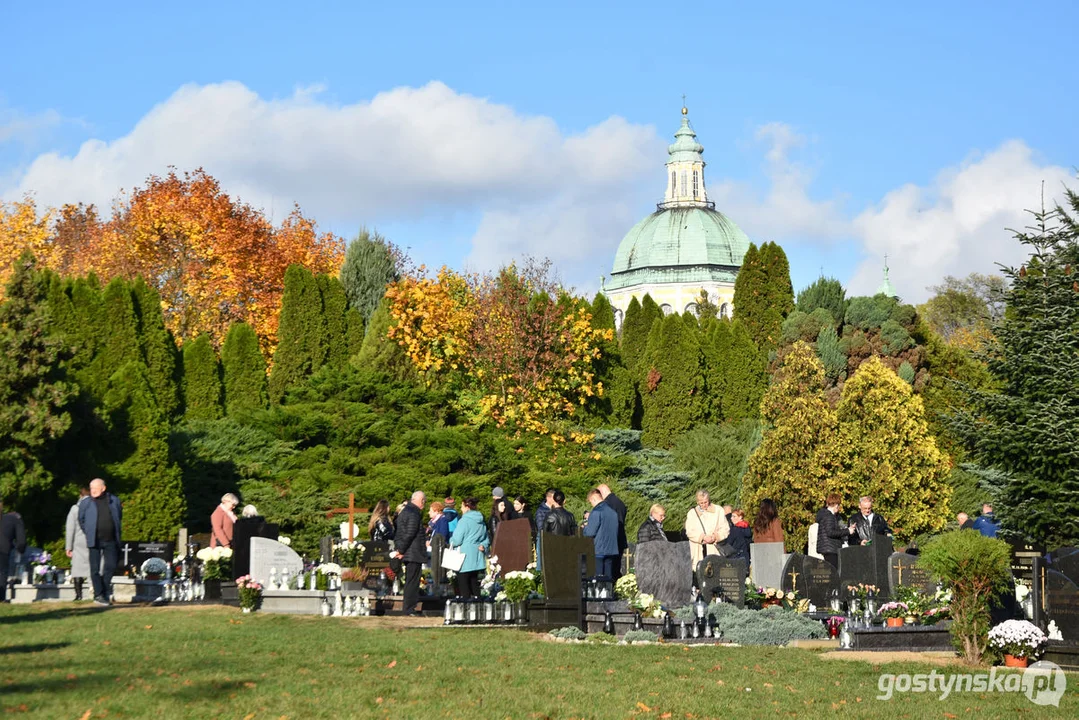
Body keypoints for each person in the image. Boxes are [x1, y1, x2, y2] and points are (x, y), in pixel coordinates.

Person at [78, 478, 122, 606]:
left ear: (103, 488)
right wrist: (89, 531)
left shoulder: (114, 500)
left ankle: (103, 589)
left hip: (111, 539)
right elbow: (81, 519)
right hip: (94, 540)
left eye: (96, 488)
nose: (93, 491)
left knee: (111, 566)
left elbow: (118, 516)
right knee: (95, 569)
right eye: (91, 488)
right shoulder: (86, 503)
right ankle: (99, 595)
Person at [390, 490, 427, 616]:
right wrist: (401, 550)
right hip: (413, 552)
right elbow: (410, 533)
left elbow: (400, 533)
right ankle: (409, 608)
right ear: (420, 501)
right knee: (413, 581)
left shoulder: (405, 511)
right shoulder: (413, 513)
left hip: (408, 551)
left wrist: (400, 549)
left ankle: (409, 607)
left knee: (410, 580)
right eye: (424, 501)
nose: (424, 504)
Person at [449, 497, 489, 598]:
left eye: (462, 506)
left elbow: (457, 540)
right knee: (474, 583)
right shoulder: (481, 520)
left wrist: (451, 541)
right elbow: (486, 539)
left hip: (464, 556)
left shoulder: (464, 521)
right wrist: (483, 546)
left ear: (467, 507)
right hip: (477, 556)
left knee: (464, 584)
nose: (461, 509)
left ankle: (466, 606)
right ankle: (477, 606)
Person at [684, 490, 730, 568]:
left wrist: (715, 537)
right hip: (698, 550)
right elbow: (689, 531)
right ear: (697, 502)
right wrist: (703, 537)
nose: (704, 505)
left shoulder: (718, 510)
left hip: (714, 549)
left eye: (706, 502)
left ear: (709, 500)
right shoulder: (692, 513)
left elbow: (725, 529)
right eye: (701, 503)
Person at [582, 489, 619, 579]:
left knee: (598, 580)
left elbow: (590, 532)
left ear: (593, 499)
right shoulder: (613, 512)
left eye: (591, 502)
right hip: (611, 550)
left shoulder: (596, 512)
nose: (592, 505)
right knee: (608, 579)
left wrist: (584, 528)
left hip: (598, 550)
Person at [596, 483, 628, 582]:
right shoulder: (619, 502)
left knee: (610, 569)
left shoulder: (607, 504)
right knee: (616, 567)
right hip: (620, 539)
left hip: (611, 541)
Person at [65, 487, 92, 601]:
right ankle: (93, 588)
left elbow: (70, 529)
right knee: (92, 566)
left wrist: (68, 547)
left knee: (77, 569)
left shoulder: (75, 508)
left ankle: (78, 594)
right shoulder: (94, 507)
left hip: (78, 542)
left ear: (80, 495)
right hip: (92, 540)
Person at [0, 499, 27, 603]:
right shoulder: (15, 519)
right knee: (2, 572)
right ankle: (1, 598)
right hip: (3, 549)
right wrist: (21, 550)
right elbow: (21, 541)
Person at [816, 493, 848, 569]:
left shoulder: (826, 515)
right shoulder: (829, 516)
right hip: (831, 548)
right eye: (839, 505)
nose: (839, 507)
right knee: (834, 572)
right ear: (836, 504)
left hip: (828, 548)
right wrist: (848, 531)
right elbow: (830, 532)